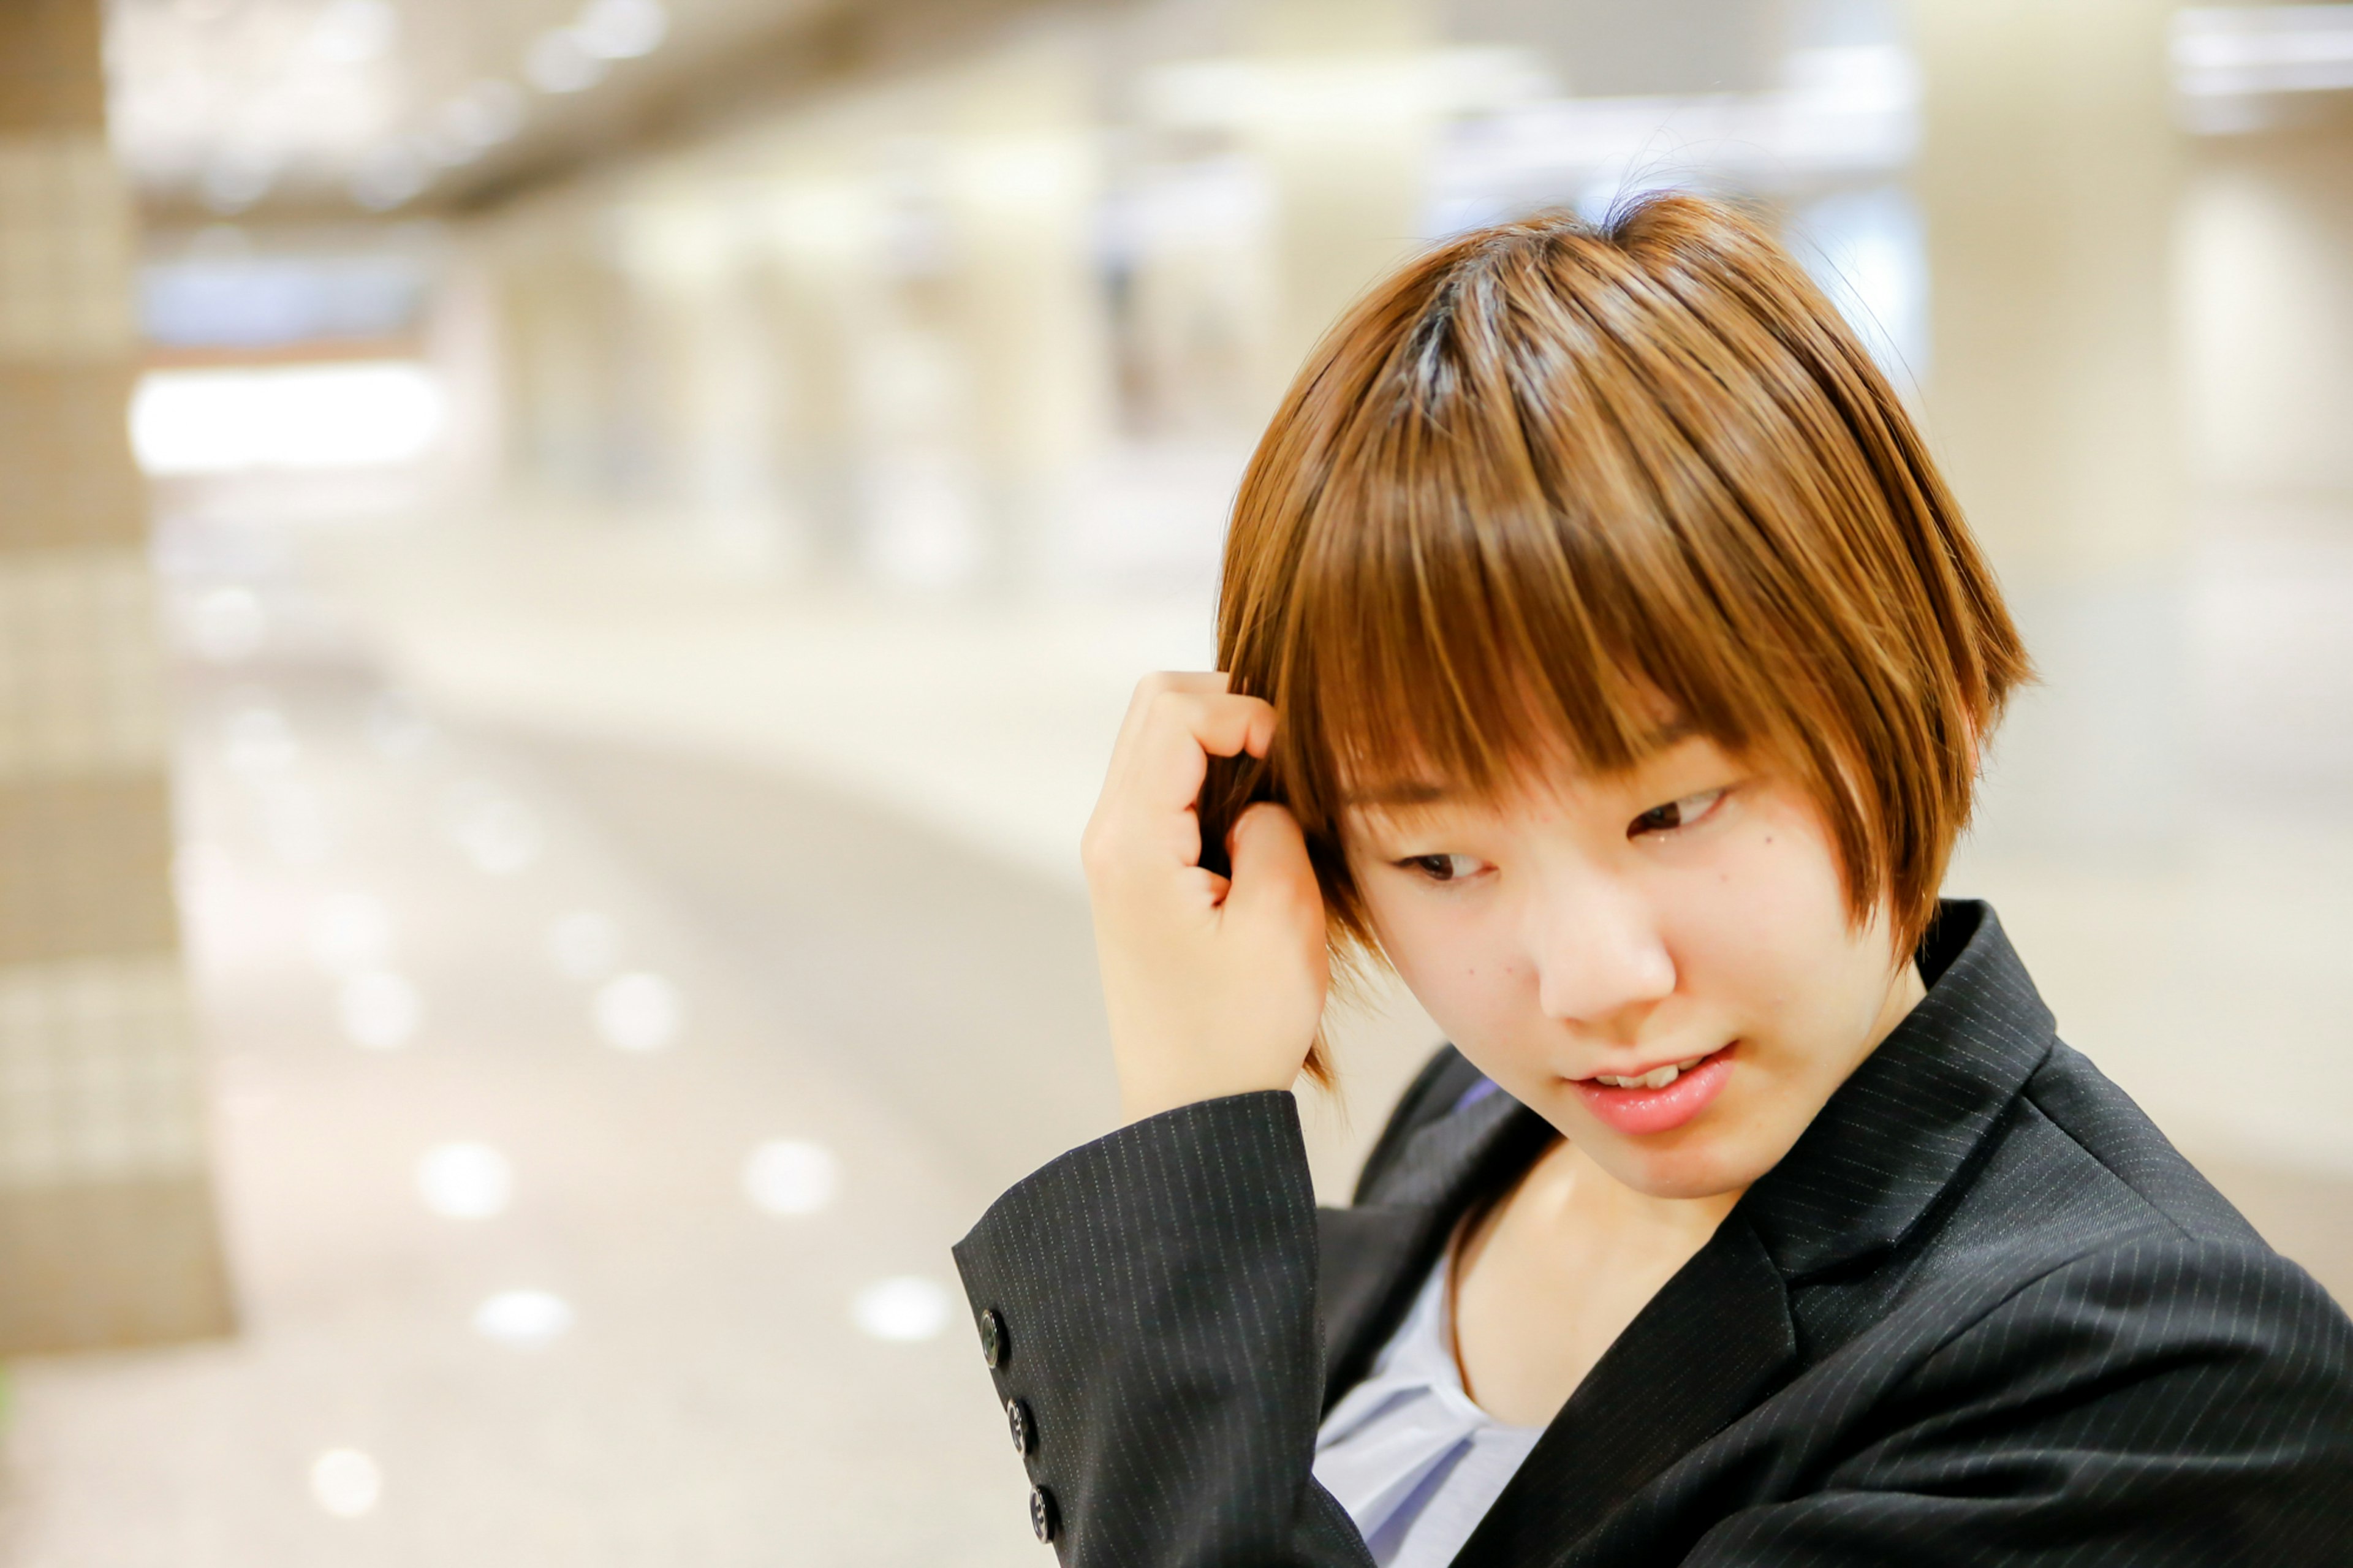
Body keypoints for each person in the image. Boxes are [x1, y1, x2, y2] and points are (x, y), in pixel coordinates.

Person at [950, 194, 2353, 1567]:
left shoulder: (2153, 1380)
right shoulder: (1484, 1116)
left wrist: (1196, 1129)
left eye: (1673, 809)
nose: (1591, 984)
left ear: (1922, 695)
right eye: (1442, 857)